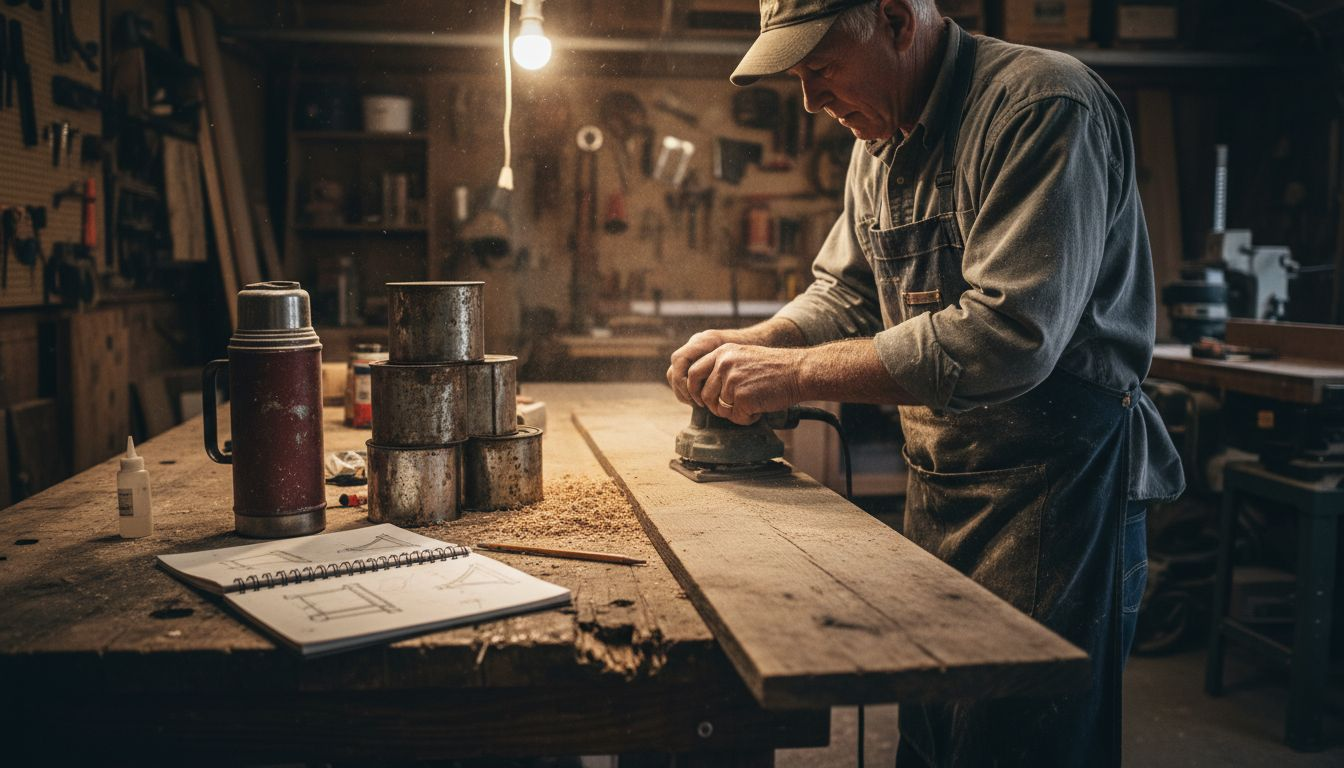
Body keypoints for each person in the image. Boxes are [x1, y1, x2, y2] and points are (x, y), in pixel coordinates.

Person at [665, 1, 1186, 765]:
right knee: (931, 729)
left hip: (1059, 493)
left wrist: (789, 375)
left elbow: (1009, 337)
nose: (811, 100)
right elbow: (843, 291)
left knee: (1017, 739)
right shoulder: (876, 137)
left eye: (821, 68)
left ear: (897, 21)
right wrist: (752, 342)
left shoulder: (1043, 106)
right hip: (941, 483)